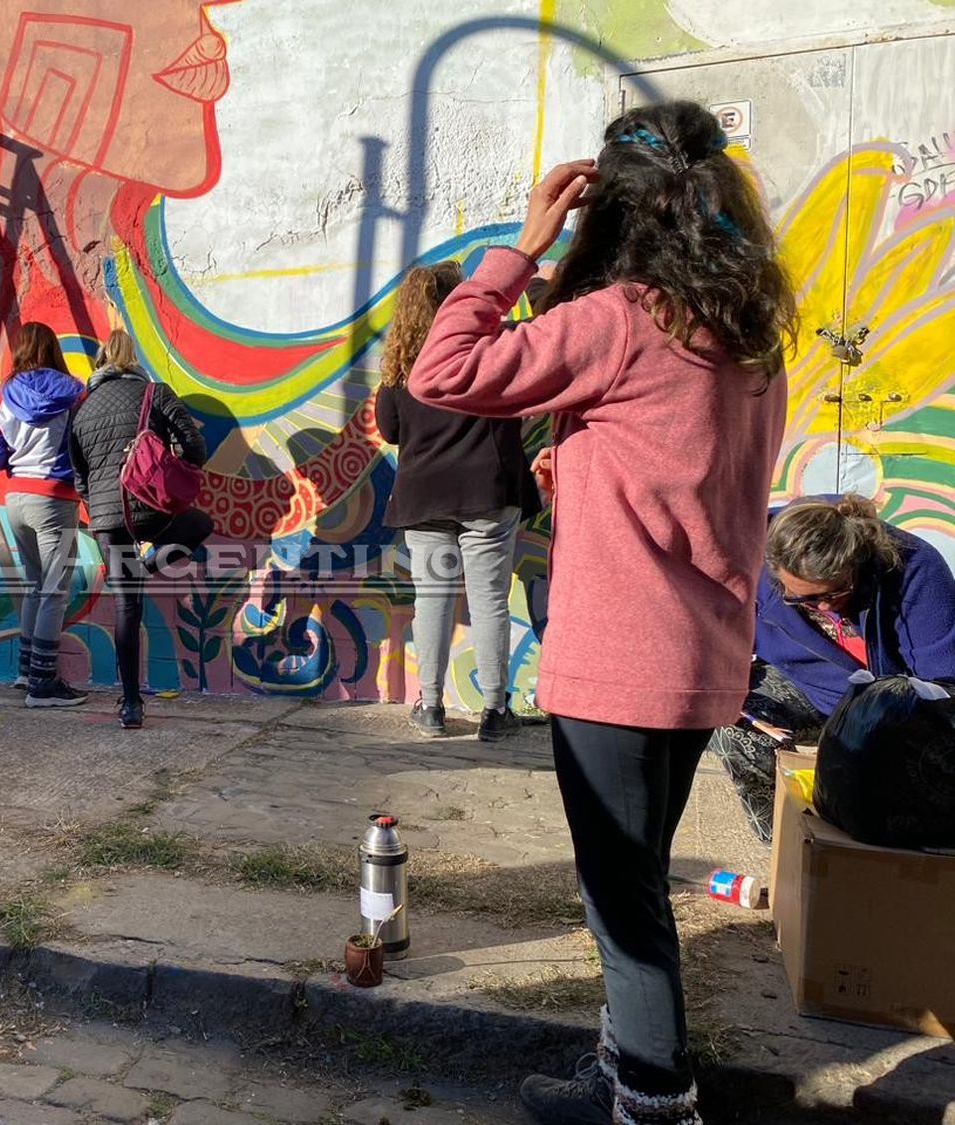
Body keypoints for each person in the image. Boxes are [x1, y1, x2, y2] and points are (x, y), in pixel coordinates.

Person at [407, 101, 795, 1125]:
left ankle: (655, 1104)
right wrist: (581, 471)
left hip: (619, 665)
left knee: (624, 911)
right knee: (636, 887)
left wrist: (521, 250)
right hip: (701, 662)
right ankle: (623, 1071)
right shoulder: (752, 341)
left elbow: (441, 373)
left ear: (610, 214)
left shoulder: (619, 319)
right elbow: (697, 483)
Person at [711, 494, 955, 841]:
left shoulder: (915, 567)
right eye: (807, 600)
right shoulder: (747, 560)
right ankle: (789, 850)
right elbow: (713, 633)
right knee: (734, 731)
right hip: (815, 690)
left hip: (899, 707)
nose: (826, 607)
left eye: (838, 591)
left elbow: (943, 686)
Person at [375, 261, 540, 740]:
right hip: (488, 492)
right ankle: (493, 711)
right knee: (489, 601)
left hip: (426, 495)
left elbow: (389, 430)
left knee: (433, 599)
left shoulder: (403, 365)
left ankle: (430, 707)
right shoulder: (488, 350)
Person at [69, 329, 211, 729]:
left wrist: (99, 508)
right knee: (199, 524)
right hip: (151, 507)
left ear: (100, 361)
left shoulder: (83, 406)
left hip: (105, 517)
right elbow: (194, 450)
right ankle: (147, 567)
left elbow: (79, 474)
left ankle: (131, 705)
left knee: (126, 605)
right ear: (133, 359)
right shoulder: (155, 394)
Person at [0, 322, 88, 708]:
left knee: (34, 585)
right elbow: (86, 442)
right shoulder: (76, 391)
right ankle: (43, 686)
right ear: (53, 348)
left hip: (17, 499)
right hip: (55, 499)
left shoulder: (1, 396)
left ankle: (27, 672)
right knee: (54, 592)